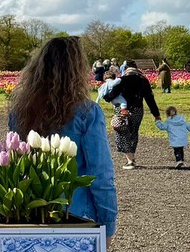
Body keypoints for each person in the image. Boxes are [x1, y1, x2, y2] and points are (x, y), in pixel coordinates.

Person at [9, 37, 118, 241]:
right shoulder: (87, 113)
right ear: (76, 71)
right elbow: (101, 175)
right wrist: (108, 225)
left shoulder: (19, 112)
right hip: (76, 216)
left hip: (31, 215)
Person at [104, 61, 161, 170]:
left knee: (121, 132)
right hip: (137, 110)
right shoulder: (143, 80)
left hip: (121, 110)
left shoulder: (122, 80)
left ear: (125, 69)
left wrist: (106, 96)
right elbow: (150, 98)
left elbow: (111, 95)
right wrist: (156, 114)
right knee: (133, 132)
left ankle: (130, 159)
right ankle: (132, 157)